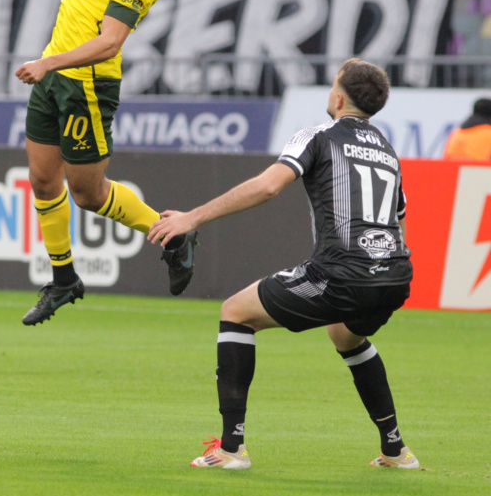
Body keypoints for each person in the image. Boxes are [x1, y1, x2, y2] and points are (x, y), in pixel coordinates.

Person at [150, 58, 420, 471]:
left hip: (342, 272)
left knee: (236, 313)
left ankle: (231, 449)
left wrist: (193, 217)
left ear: (338, 95)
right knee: (346, 337)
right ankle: (396, 451)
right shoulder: (387, 150)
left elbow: (268, 186)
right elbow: (398, 219)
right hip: (396, 274)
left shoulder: (318, 135)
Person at [13, 0, 199, 326]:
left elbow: (111, 41)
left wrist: (48, 62)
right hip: (54, 80)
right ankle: (63, 280)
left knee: (89, 195)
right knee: (40, 180)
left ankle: (172, 235)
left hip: (86, 85)